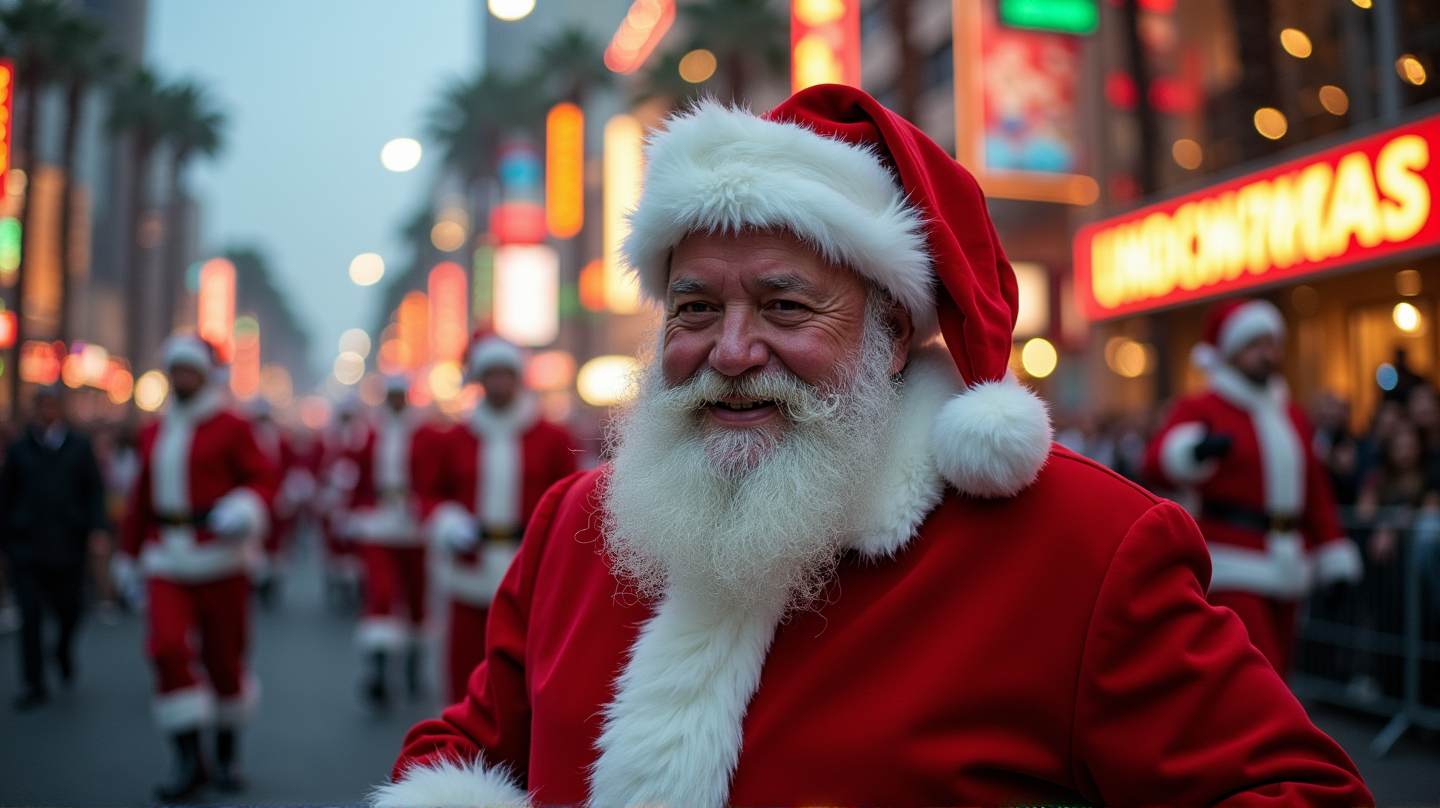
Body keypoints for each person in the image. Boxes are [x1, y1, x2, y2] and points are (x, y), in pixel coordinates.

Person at [373, 86, 1372, 806]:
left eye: (784, 304)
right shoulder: (579, 525)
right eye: (693, 306)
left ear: (893, 334)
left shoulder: (1081, 546)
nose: (728, 350)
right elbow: (470, 743)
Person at [1145, 299, 1365, 676]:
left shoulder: (1291, 413)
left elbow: (1316, 493)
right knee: (1260, 673)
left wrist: (1334, 557)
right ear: (1231, 353)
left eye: (1272, 344)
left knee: (1280, 672)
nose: (1269, 354)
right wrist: (1193, 451)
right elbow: (1154, 464)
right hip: (1232, 560)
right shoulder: (1202, 406)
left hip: (1290, 558)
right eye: (1256, 345)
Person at [114, 335, 277, 800]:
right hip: (166, 554)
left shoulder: (232, 425)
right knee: (166, 648)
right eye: (176, 370)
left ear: (205, 374)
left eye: (190, 370)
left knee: (225, 659)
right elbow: (139, 501)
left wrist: (243, 508)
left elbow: (263, 479)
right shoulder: (153, 430)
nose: (182, 378)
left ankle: (226, 756)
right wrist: (128, 559)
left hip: (222, 556)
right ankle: (188, 759)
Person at [416, 334, 577, 704]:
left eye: (506, 374)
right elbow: (429, 494)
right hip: (470, 568)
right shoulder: (456, 437)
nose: (499, 384)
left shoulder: (552, 437)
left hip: (530, 569)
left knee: (527, 671)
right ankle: (464, 754)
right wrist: (447, 522)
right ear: (479, 380)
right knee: (466, 669)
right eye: (491, 375)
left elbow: (573, 496)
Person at [0, 385, 107, 710]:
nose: (47, 411)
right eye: (42, 405)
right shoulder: (19, 450)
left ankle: (62, 650)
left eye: (53, 405)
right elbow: (6, 497)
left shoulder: (79, 447)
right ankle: (33, 682)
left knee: (69, 607)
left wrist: (96, 529)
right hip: (27, 545)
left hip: (68, 543)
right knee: (29, 614)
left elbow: (94, 491)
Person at [341, 376, 427, 707]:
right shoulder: (371, 432)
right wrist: (349, 512)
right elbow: (358, 476)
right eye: (390, 395)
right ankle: (377, 673)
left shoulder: (426, 434)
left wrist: (426, 506)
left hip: (414, 523)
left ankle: (412, 665)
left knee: (416, 599)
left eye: (400, 395)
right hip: (376, 521)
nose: (395, 401)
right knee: (382, 594)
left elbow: (435, 477)